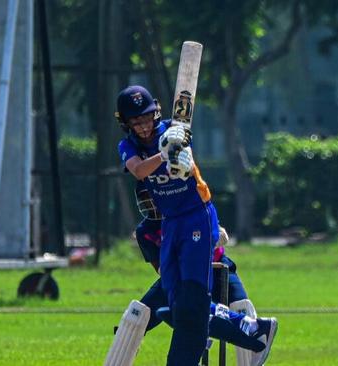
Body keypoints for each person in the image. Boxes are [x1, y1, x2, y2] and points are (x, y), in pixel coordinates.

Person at [116, 85, 275, 365]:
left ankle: (241, 331)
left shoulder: (173, 131)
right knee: (178, 304)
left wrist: (179, 154)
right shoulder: (128, 146)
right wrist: (163, 156)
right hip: (171, 223)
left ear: (156, 112)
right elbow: (139, 170)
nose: (143, 126)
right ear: (126, 123)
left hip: (196, 214)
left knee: (192, 298)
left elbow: (187, 163)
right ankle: (254, 329)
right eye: (135, 121)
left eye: (146, 118)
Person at [133, 183, 277, 366]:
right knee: (137, 316)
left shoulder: (185, 211)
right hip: (180, 277)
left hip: (218, 268)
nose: (152, 207)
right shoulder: (145, 231)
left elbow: (222, 236)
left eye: (153, 201)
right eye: (146, 203)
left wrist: (199, 244)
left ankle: (254, 340)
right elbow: (161, 268)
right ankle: (202, 329)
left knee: (242, 307)